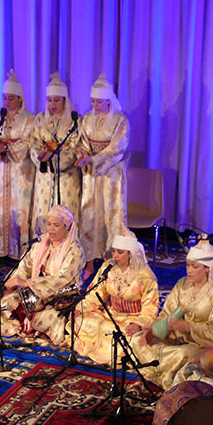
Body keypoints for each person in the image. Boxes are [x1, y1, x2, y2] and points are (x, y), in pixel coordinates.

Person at [130, 238, 213, 389]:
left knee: (182, 354)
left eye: (194, 266)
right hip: (175, 338)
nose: (189, 270)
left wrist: (189, 327)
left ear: (207, 268)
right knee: (136, 340)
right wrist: (155, 330)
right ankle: (159, 368)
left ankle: (161, 373)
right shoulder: (182, 284)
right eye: (188, 265)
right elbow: (166, 314)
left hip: (200, 344)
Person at [0, 205, 85, 344]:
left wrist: (26, 283)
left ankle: (31, 324)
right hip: (34, 293)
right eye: (49, 224)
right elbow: (25, 266)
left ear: (67, 227)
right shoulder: (41, 243)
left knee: (46, 317)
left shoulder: (75, 250)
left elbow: (63, 279)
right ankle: (22, 325)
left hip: (60, 294)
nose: (50, 229)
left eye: (56, 225)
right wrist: (13, 284)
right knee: (7, 303)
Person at [73, 232, 159, 365]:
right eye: (113, 251)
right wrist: (81, 309)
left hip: (132, 319)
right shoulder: (108, 267)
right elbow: (96, 293)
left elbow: (150, 307)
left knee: (128, 336)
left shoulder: (145, 276)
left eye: (120, 252)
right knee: (82, 320)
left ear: (130, 253)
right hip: (110, 314)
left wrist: (137, 324)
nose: (115, 256)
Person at [76, 72, 130, 277]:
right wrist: (82, 154)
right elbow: (82, 142)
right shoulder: (87, 119)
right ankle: (89, 261)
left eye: (99, 102)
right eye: (93, 101)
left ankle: (114, 260)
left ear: (108, 100)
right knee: (89, 214)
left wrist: (95, 159)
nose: (95, 105)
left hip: (111, 173)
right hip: (91, 174)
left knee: (112, 214)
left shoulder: (120, 120)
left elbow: (118, 147)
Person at [0, 69, 35, 259]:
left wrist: (8, 149)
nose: (7, 102)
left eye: (11, 98)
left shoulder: (29, 119)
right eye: (5, 97)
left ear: (20, 99)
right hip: (0, 169)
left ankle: (18, 250)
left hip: (20, 171)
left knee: (17, 207)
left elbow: (29, 141)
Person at [29, 72, 82, 237]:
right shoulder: (39, 119)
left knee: (65, 217)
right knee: (44, 216)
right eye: (49, 100)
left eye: (57, 100)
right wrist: (42, 157)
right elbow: (33, 144)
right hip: (45, 176)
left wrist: (58, 159)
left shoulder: (75, 121)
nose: (52, 104)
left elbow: (76, 147)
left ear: (65, 100)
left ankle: (67, 255)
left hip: (67, 176)